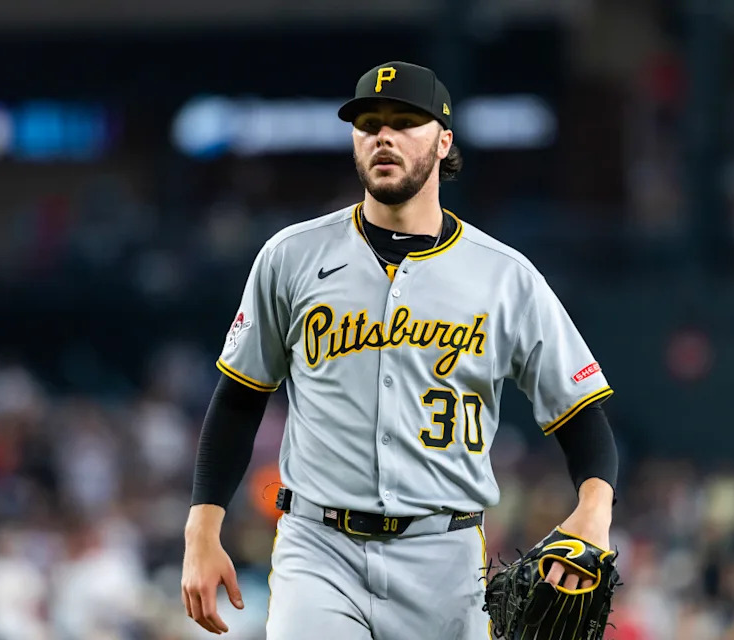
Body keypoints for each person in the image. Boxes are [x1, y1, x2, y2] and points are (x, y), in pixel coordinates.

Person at [181, 61, 619, 639]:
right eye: (368, 123)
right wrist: (201, 531)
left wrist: (595, 511)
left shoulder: (504, 276)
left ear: (443, 141)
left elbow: (583, 415)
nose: (383, 135)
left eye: (404, 122)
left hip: (446, 558)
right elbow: (239, 399)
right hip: (319, 551)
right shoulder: (290, 256)